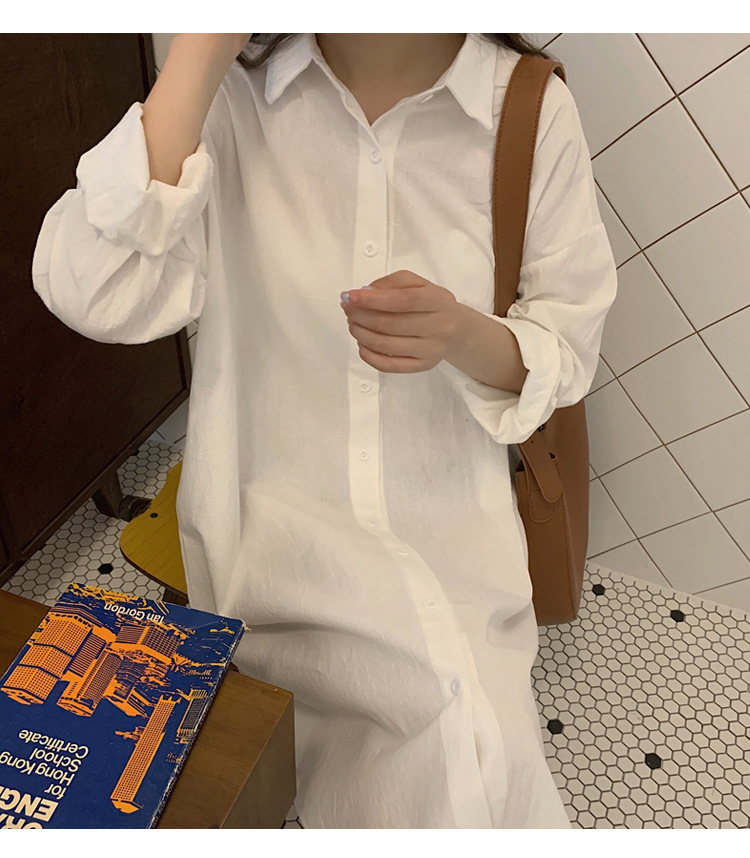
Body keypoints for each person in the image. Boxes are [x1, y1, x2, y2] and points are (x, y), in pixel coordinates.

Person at [31, 33, 618, 828]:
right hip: (264, 544)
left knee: (471, 753)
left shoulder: (528, 108)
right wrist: (202, 50)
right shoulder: (231, 98)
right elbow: (94, 292)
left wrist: (461, 334)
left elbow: (567, 345)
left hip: (449, 538)